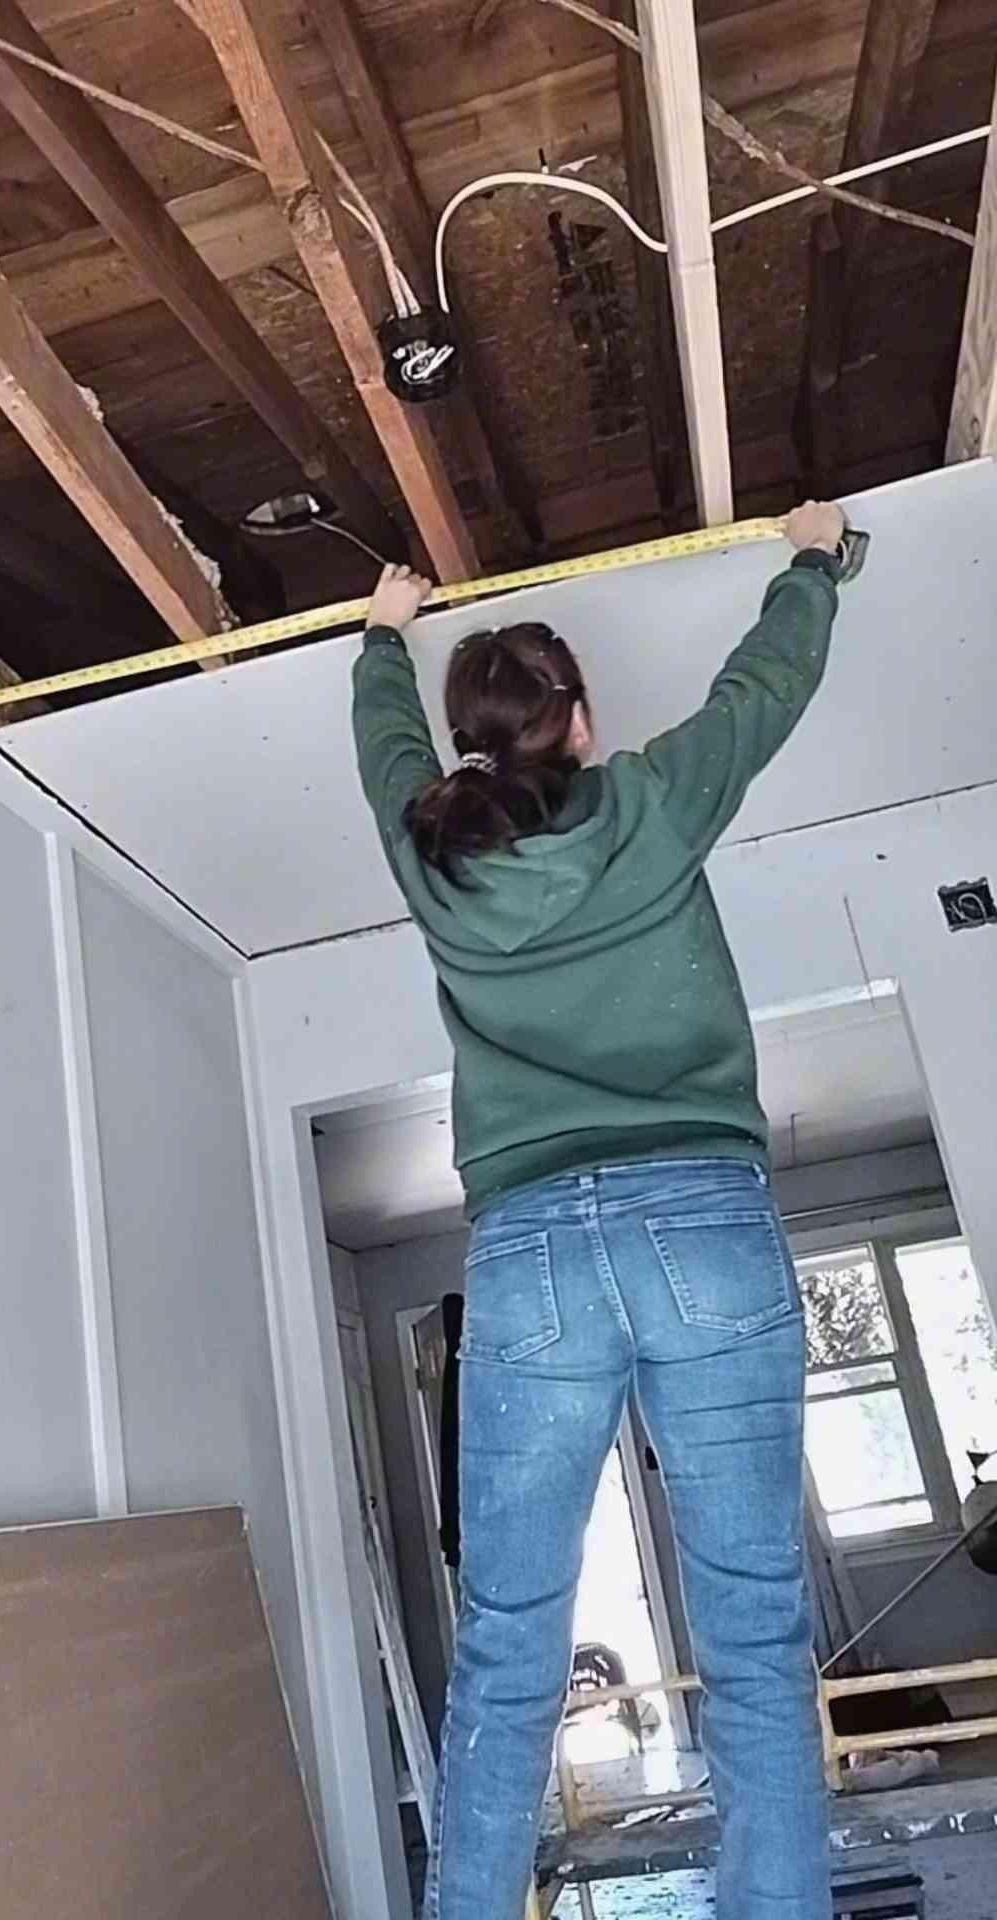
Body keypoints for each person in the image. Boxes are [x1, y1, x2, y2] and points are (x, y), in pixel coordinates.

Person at [352, 501, 849, 1920]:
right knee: (755, 1640)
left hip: (532, 1257)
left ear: (473, 746)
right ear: (577, 722)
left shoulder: (435, 854)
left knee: (509, 1650)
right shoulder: (651, 801)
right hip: (702, 1220)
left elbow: (385, 753)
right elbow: (764, 692)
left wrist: (381, 638)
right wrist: (816, 560)